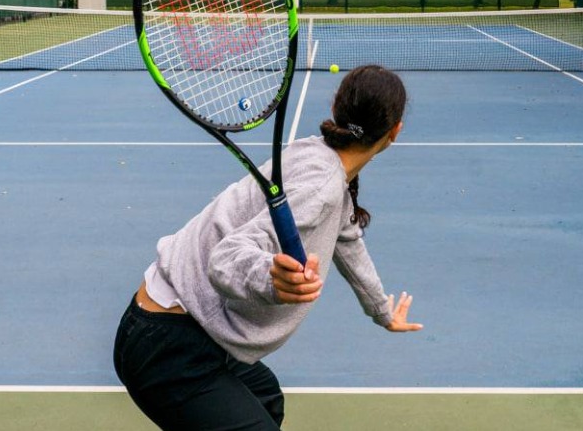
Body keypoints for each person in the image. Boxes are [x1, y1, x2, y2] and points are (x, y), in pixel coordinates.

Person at [113, 64, 423, 430]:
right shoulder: (321, 186)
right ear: (395, 132)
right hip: (169, 343)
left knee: (266, 400)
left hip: (188, 327)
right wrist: (269, 276)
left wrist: (380, 309)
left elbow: (348, 239)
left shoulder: (319, 158)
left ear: (338, 110)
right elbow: (226, 259)